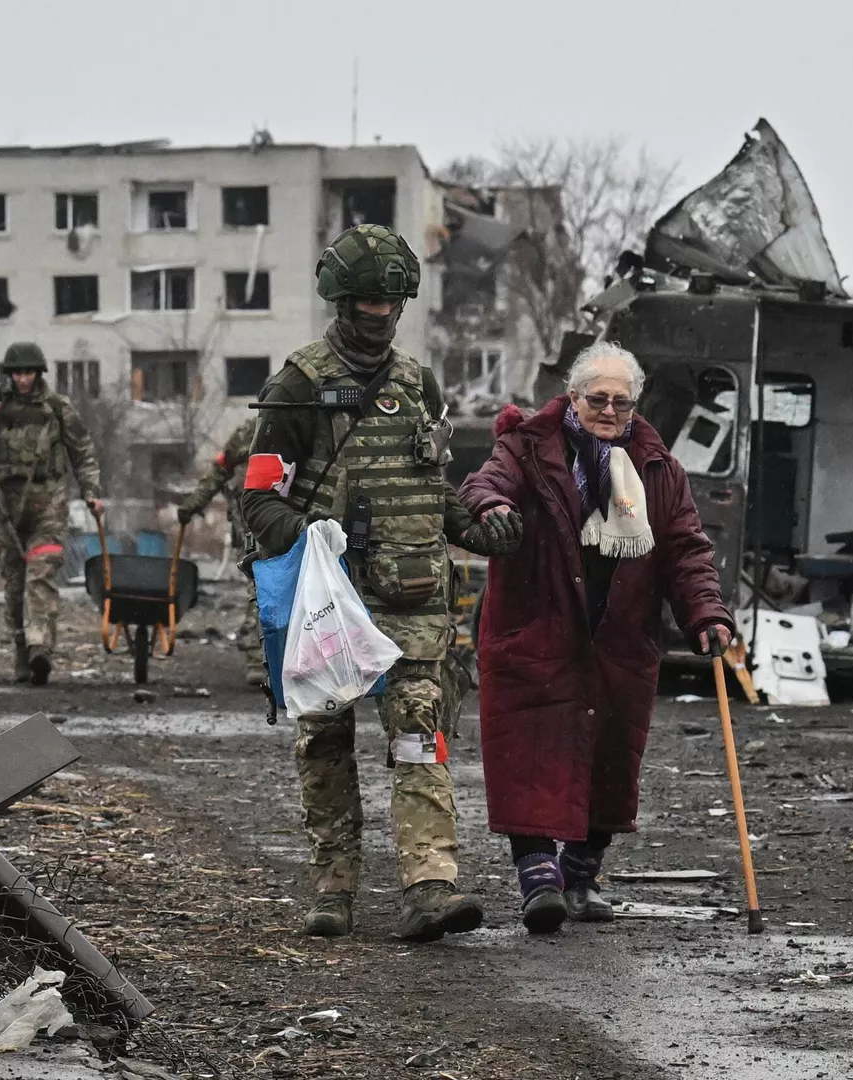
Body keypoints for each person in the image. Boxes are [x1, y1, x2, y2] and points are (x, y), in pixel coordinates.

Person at [241, 224, 517, 942]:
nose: (377, 317)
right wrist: (305, 539)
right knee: (325, 745)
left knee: (419, 739)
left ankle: (432, 885)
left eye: (389, 304)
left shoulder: (417, 384)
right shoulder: (297, 385)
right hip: (329, 603)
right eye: (365, 302)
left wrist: (480, 529)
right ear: (340, 300)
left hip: (413, 603)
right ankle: (333, 888)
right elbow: (259, 497)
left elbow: (432, 490)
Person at [458, 341, 734, 933]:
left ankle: (582, 874)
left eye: (622, 401)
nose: (609, 410)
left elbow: (686, 550)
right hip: (537, 624)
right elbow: (483, 485)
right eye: (598, 398)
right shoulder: (527, 448)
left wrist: (706, 614)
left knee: (610, 754)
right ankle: (538, 878)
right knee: (527, 750)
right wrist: (492, 509)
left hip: (620, 634)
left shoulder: (659, 469)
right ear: (573, 397)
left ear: (635, 406)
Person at [0, 342, 105, 686]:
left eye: (28, 372)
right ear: (9, 374)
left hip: (48, 502)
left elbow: (82, 452)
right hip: (5, 505)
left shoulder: (57, 408)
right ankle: (21, 655)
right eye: (17, 373)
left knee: (40, 574)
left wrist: (91, 493)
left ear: (38, 373)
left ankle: (40, 645)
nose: (23, 379)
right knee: (14, 584)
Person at [178, 417, 266, 688]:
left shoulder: (298, 427)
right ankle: (256, 652)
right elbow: (220, 469)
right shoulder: (249, 432)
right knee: (262, 583)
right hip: (254, 523)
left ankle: (264, 652)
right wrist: (193, 504)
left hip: (288, 521)